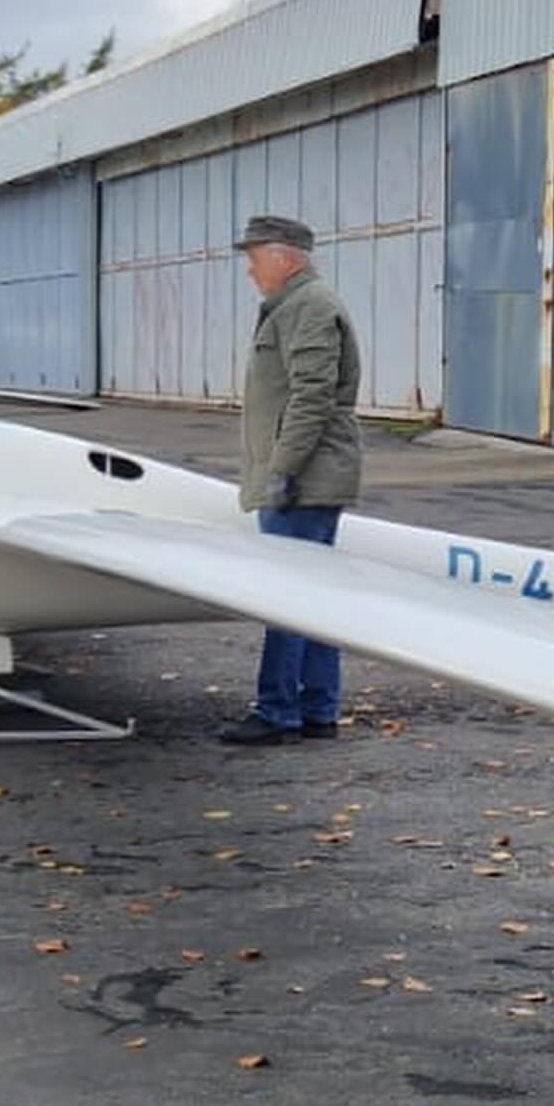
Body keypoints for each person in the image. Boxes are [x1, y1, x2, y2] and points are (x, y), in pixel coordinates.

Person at [218, 215, 362, 746]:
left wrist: (282, 469)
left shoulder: (309, 306)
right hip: (307, 476)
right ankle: (316, 709)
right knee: (313, 598)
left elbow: (312, 398)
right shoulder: (296, 305)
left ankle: (279, 711)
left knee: (286, 597)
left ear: (286, 258)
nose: (251, 271)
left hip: (304, 480)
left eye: (255, 259)